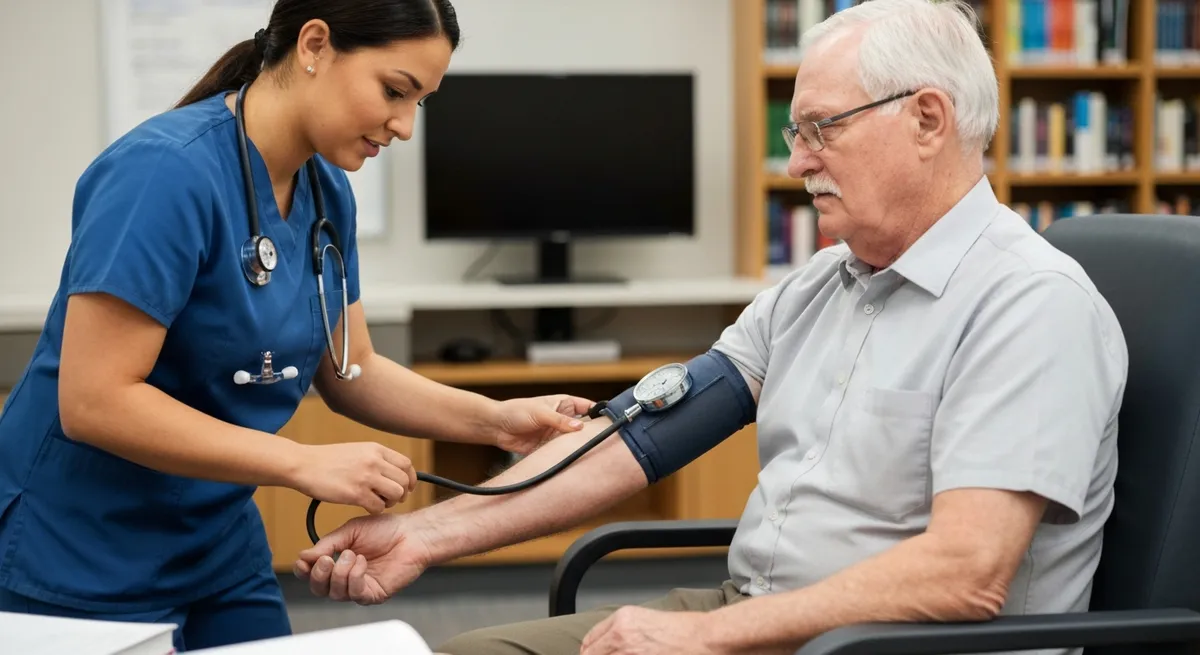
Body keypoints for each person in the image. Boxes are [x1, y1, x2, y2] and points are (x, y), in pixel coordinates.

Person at [295, 0, 1130, 654]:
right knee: (476, 650)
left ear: (927, 119)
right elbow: (635, 442)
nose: (798, 160)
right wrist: (422, 536)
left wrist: (704, 636)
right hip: (761, 621)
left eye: (820, 129)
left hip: (885, 645)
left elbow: (968, 572)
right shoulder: (818, 289)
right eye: (795, 132)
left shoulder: (1029, 305)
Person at [0, 1, 599, 652]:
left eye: (419, 103)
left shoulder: (325, 191)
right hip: (79, 548)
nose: (403, 126)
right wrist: (301, 461)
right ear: (314, 45)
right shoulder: (163, 174)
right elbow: (94, 400)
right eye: (394, 91)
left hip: (215, 544)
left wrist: (497, 420)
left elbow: (352, 367)